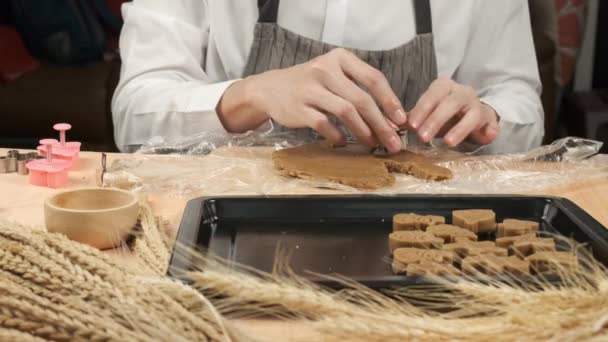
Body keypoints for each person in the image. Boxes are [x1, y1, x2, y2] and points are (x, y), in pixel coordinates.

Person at [112, 0, 544, 154]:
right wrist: (250, 96)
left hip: (421, 226)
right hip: (234, 222)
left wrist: (486, 116)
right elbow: (134, 118)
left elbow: (518, 99)